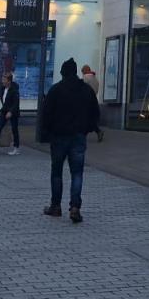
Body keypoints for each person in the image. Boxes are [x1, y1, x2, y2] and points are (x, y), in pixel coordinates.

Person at [40, 58, 100, 223]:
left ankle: (56, 206)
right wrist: (87, 129)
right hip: (78, 137)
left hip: (59, 137)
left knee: (57, 172)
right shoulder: (86, 91)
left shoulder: (56, 90)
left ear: (63, 73)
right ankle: (75, 207)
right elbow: (95, 113)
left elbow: (46, 114)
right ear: (76, 72)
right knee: (77, 173)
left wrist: (48, 133)